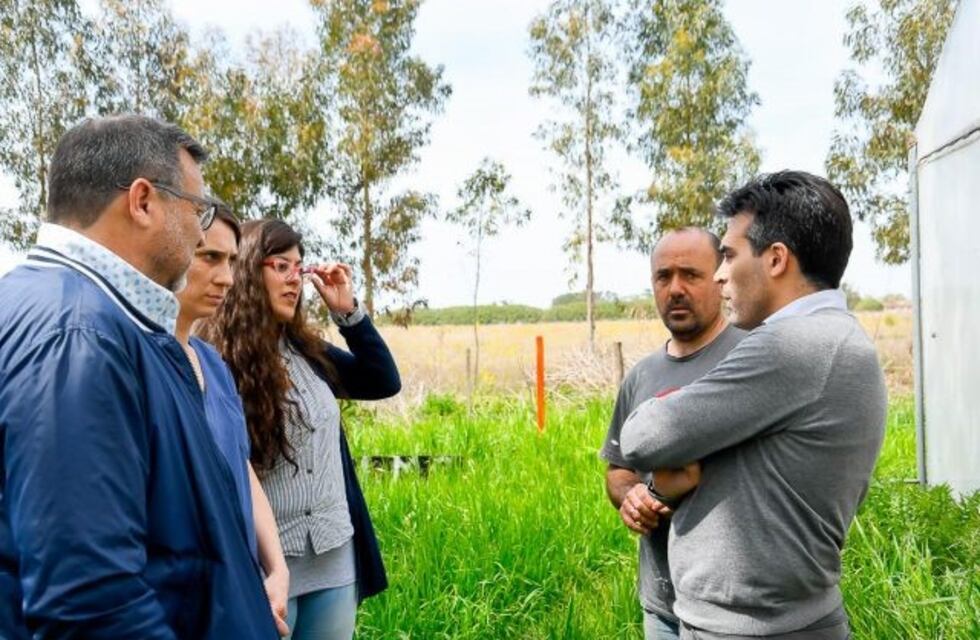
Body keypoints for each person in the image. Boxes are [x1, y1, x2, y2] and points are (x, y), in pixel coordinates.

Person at [0, 115, 278, 639]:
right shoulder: (82, 336)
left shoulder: (66, 309)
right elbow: (91, 603)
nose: (199, 230)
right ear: (144, 201)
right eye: (196, 210)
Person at [621, 171, 887, 640]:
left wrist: (670, 412)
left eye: (729, 255)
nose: (721, 273)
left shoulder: (795, 345)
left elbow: (644, 437)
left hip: (754, 628)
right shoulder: (838, 337)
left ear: (777, 259)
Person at [199, 219, 401, 640]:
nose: (296, 279)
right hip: (266, 570)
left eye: (300, 268)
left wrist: (347, 312)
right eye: (281, 266)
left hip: (334, 560)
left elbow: (382, 380)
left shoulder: (307, 352)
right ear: (250, 271)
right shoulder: (213, 362)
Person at [601, 228, 745, 639]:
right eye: (663, 277)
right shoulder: (641, 376)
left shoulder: (751, 358)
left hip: (730, 609)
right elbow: (618, 469)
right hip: (661, 607)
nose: (675, 289)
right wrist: (629, 497)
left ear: (719, 281)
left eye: (691, 275)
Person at [173, 205, 290, 636]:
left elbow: (241, 466)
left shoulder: (214, 366)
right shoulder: (143, 364)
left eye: (233, 261)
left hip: (242, 585)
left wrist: (276, 568)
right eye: (209, 257)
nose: (226, 276)